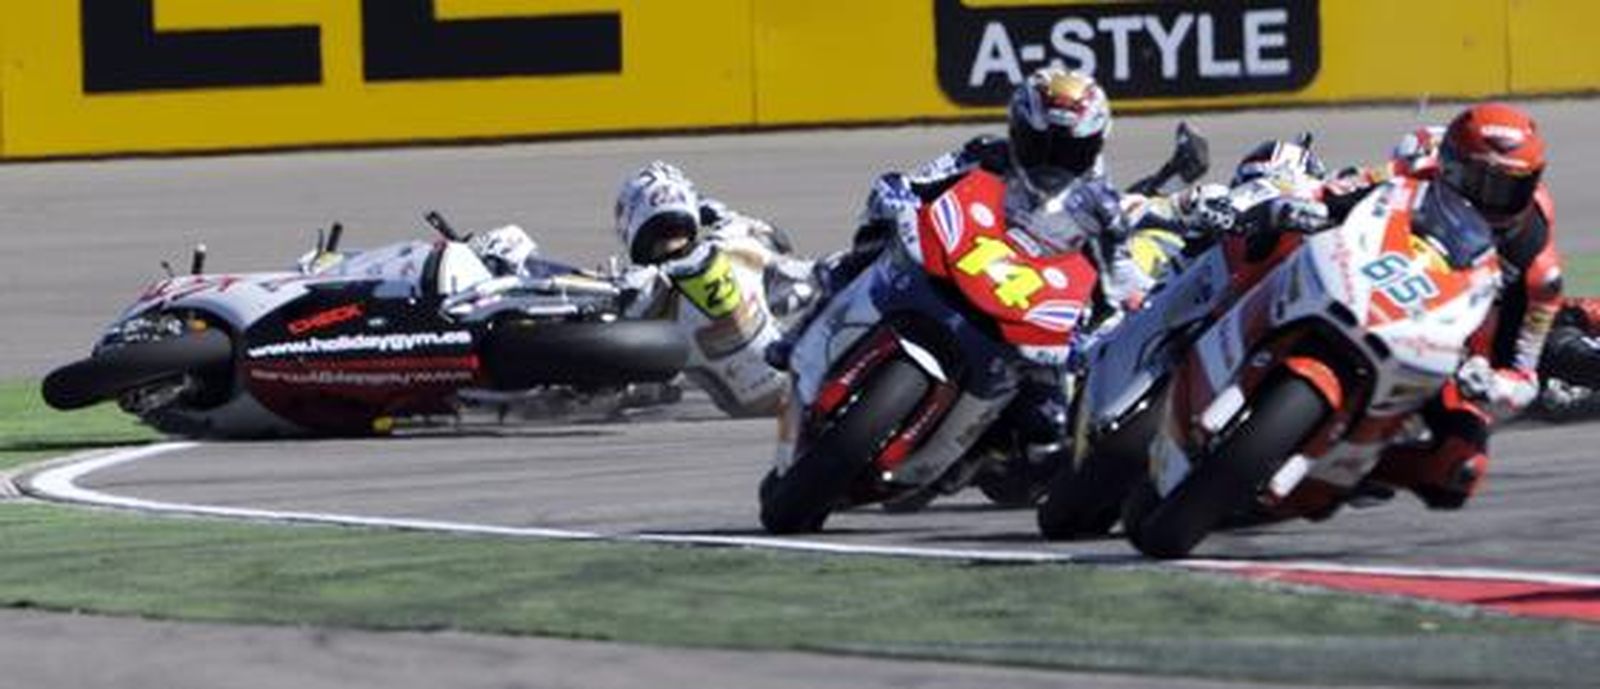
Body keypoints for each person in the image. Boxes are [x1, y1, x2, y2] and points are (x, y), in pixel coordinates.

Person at [770, 67, 1152, 486]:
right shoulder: (986, 153)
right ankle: (799, 334)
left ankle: (982, 456)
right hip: (962, 261)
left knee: (1050, 428)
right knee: (861, 253)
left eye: (1068, 149)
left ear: (1093, 146)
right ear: (1017, 130)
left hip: (1030, 310)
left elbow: (1120, 283)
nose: (1050, 159)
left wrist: (1108, 326)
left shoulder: (1102, 207)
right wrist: (896, 195)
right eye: (1039, 143)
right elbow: (919, 181)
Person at [1323, 103, 1561, 509]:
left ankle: (1351, 469)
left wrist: (1492, 385)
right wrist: (1304, 201)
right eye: (1477, 181)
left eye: (1507, 188)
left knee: (1460, 469)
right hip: (1362, 282)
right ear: (1448, 165)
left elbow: (1524, 374)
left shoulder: (1539, 270)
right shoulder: (1417, 169)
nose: (1490, 201)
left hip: (1445, 350)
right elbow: (1339, 190)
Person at [612, 161, 816, 417]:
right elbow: (778, 239)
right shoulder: (734, 237)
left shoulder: (641, 286)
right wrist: (714, 211)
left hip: (742, 398)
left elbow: (605, 306)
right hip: (800, 375)